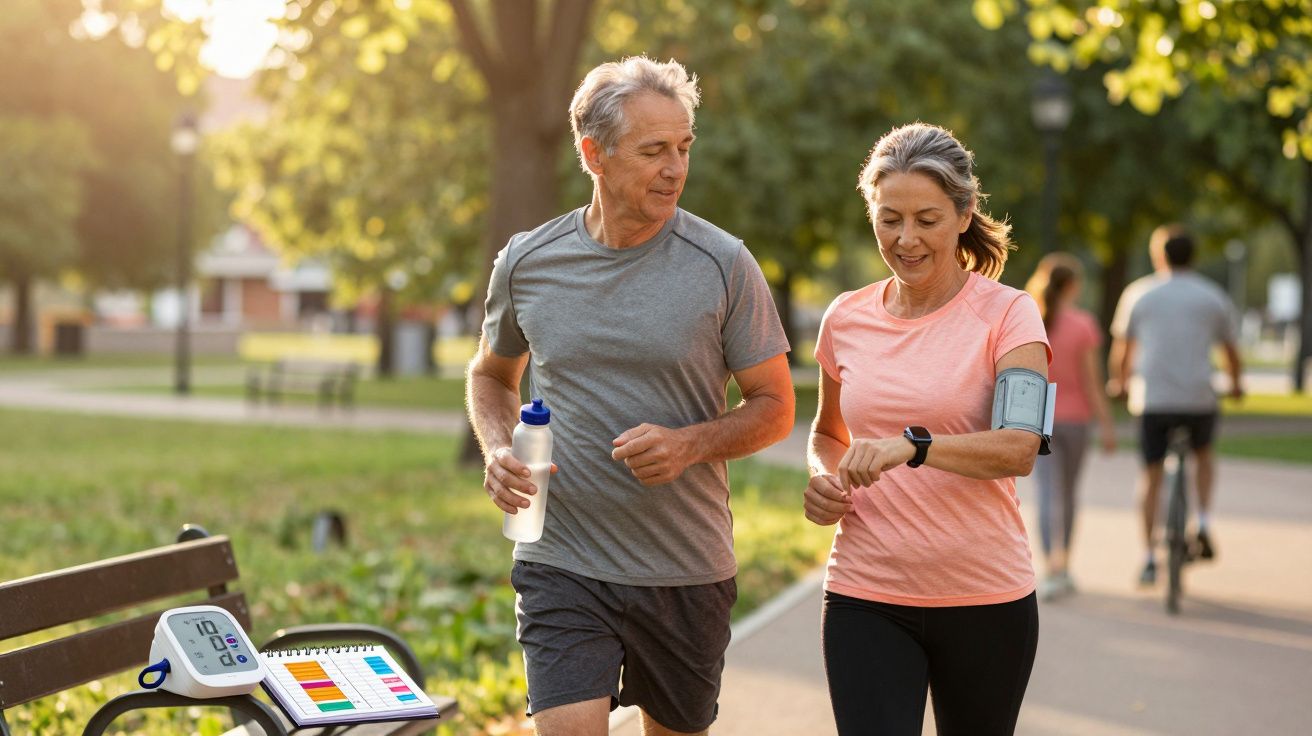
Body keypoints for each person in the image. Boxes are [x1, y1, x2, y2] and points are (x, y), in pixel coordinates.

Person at [465, 56, 794, 736]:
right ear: (595, 154)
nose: (676, 168)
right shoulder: (529, 261)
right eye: (654, 151)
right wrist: (498, 449)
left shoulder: (723, 264)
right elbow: (491, 375)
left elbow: (775, 406)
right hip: (562, 559)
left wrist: (689, 444)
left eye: (683, 148)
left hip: (683, 568)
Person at [804, 122, 1049, 735]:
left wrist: (913, 448)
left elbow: (1019, 449)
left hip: (985, 598)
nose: (906, 239)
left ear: (964, 215)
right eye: (889, 219)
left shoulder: (1010, 315)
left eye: (927, 220)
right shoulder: (846, 317)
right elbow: (828, 433)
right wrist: (824, 478)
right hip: (866, 591)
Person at [1107, 224, 1243, 586]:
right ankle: (1204, 522)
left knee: (1151, 475)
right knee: (1204, 455)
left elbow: (1123, 350)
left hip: (1154, 398)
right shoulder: (1212, 296)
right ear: (1193, 257)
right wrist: (1237, 384)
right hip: (1198, 396)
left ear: (1158, 256)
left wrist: (1120, 383)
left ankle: (1150, 555)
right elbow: (1230, 350)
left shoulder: (1140, 294)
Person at [1024, 253, 1118, 600]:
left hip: (1040, 421)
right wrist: (1107, 425)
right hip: (1076, 421)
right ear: (1073, 285)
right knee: (1068, 494)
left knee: (1048, 494)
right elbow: (1093, 383)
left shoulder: (1032, 321)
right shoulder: (1083, 325)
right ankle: (1064, 566)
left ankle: (1050, 566)